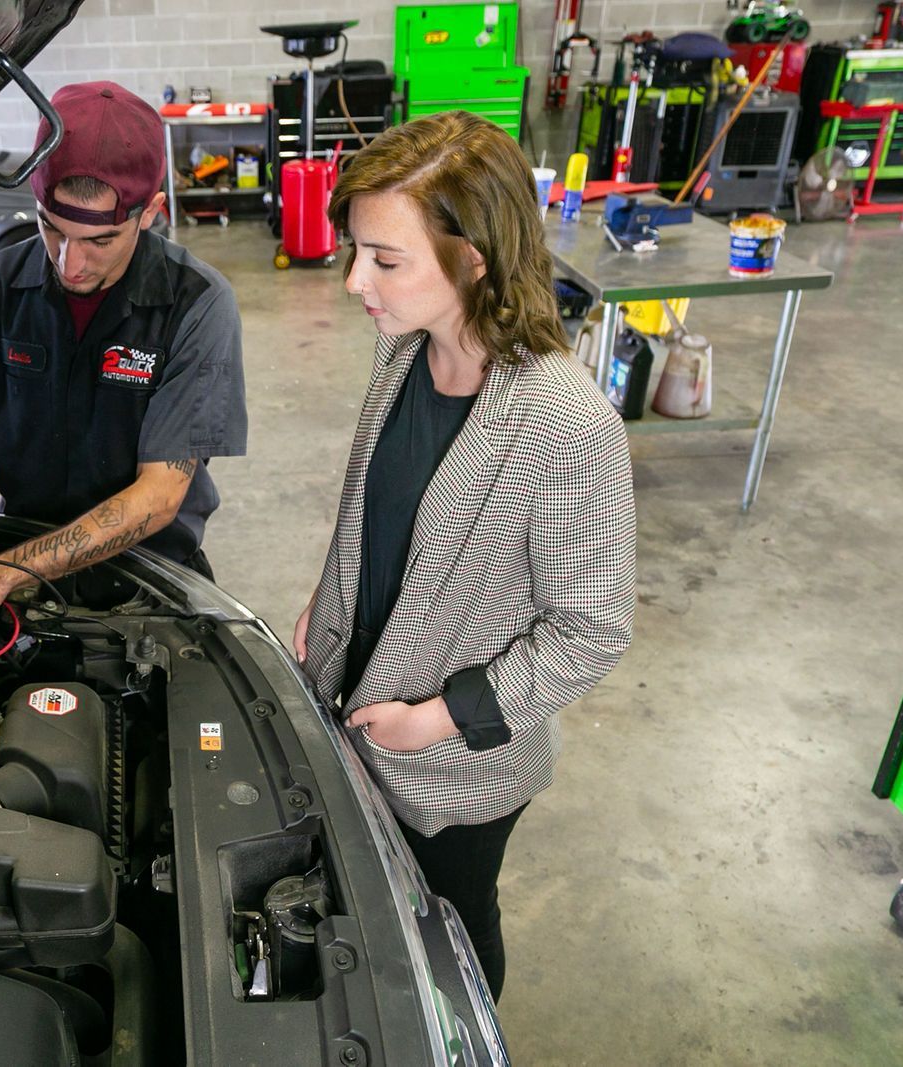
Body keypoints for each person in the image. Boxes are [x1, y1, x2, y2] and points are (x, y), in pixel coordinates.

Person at [290, 111, 636, 1002]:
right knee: (371, 904)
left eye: (385, 259)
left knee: (450, 930)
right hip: (357, 696)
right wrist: (332, 599)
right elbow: (382, 505)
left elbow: (591, 631)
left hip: (454, 760)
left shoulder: (565, 424)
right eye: (356, 250)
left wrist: (438, 717)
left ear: (474, 258)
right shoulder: (402, 349)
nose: (354, 279)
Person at [0, 82, 247, 646]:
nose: (70, 264)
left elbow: (159, 496)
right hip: (20, 562)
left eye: (100, 240)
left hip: (144, 578)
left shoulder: (196, 304)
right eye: (51, 228)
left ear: (151, 212)